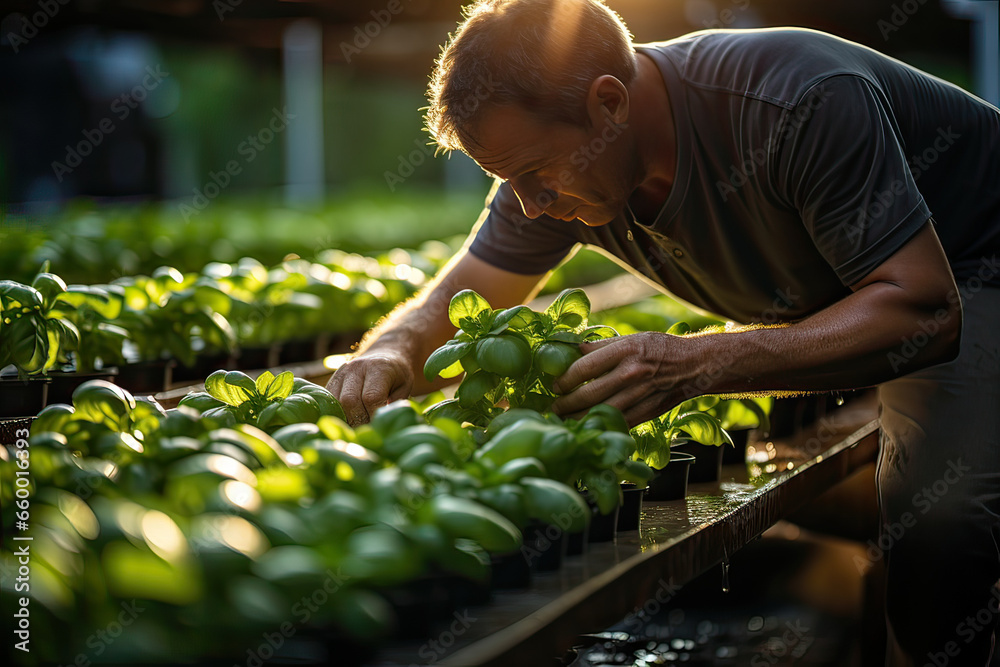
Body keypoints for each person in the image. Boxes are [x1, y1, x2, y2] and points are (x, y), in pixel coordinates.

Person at [327, 0, 1000, 663]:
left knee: (939, 519)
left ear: (610, 103)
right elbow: (457, 298)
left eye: (535, 174)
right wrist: (390, 348)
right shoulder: (557, 170)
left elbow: (924, 310)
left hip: (970, 264)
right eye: (509, 181)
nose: (531, 205)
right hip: (859, 288)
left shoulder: (797, 103)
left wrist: (696, 362)